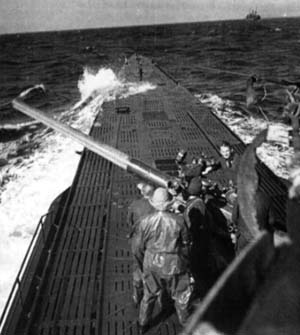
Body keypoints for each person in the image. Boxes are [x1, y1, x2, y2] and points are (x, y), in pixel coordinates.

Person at [132, 188, 194, 333]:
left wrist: (142, 264)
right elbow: (186, 244)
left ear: (153, 203)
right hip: (174, 264)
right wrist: (185, 262)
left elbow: (137, 248)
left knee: (149, 295)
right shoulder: (179, 220)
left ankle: (143, 324)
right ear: (169, 203)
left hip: (151, 263)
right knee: (182, 295)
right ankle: (185, 323)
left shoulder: (144, 222)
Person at [127, 183, 155, 307]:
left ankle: (137, 296)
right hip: (152, 241)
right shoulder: (156, 206)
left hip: (137, 241)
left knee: (138, 267)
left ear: (142, 192)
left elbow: (129, 221)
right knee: (153, 268)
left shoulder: (134, 205)